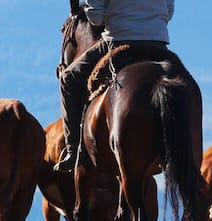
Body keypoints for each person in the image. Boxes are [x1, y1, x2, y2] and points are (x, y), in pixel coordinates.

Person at [55, 0, 177, 172]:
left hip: (119, 40)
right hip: (158, 42)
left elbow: (95, 17)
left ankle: (74, 151)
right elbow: (169, 11)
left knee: (69, 79)